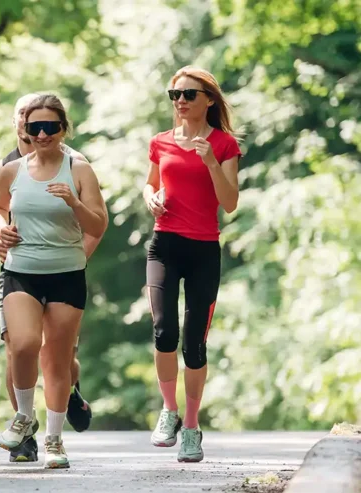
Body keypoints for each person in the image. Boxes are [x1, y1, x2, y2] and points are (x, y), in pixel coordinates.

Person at [0, 93, 103, 462]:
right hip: (21, 271)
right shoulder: (11, 170)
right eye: (35, 127)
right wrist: (2, 229)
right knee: (22, 344)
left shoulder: (79, 169)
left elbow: (98, 224)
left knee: (56, 358)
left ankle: (54, 440)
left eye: (50, 127)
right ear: (25, 129)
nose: (42, 133)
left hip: (66, 273)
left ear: (63, 129)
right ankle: (23, 416)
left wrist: (74, 202)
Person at [144, 66, 240, 463]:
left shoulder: (224, 144)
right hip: (164, 245)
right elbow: (150, 182)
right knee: (164, 331)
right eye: (175, 95)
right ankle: (170, 410)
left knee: (194, 342)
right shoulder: (160, 142)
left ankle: (193, 426)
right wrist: (149, 196)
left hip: (204, 249)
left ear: (209, 100)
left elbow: (230, 202)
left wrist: (211, 163)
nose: (180, 101)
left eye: (188, 94)